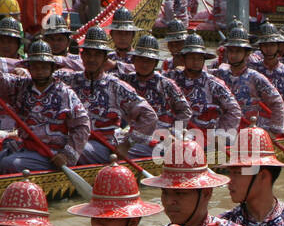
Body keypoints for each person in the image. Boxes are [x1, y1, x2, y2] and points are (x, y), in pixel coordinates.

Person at [57, 27, 158, 165]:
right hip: (71, 139)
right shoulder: (68, 79)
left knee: (76, 150)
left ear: (105, 58)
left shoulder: (116, 86)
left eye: (97, 55)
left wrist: (127, 144)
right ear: (82, 56)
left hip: (103, 145)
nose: (92, 59)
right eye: (88, 54)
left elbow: (149, 116)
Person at [0, 41, 90, 174]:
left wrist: (66, 155)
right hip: (24, 146)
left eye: (44, 67)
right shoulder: (21, 86)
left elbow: (82, 125)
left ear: (52, 68)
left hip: (50, 153)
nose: (39, 72)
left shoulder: (65, 93)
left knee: (9, 164)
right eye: (35, 67)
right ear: (29, 68)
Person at [214, 22, 284, 136]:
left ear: (247, 54)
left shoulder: (256, 77)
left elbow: (277, 102)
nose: (233, 55)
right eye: (231, 51)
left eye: (238, 51)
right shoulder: (219, 74)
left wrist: (274, 131)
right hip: (222, 131)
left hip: (248, 132)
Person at [120, 35, 191, 147]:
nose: (144, 64)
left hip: (159, 136)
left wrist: (174, 133)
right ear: (133, 60)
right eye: (140, 59)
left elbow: (185, 111)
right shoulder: (124, 81)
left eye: (148, 61)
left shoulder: (167, 84)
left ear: (155, 62)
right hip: (129, 133)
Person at [166, 34, 241, 139]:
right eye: (191, 58)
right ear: (184, 59)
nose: (195, 62)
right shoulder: (171, 79)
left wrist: (222, 135)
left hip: (207, 139)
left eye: (199, 58)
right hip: (176, 136)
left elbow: (234, 110)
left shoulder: (214, 84)